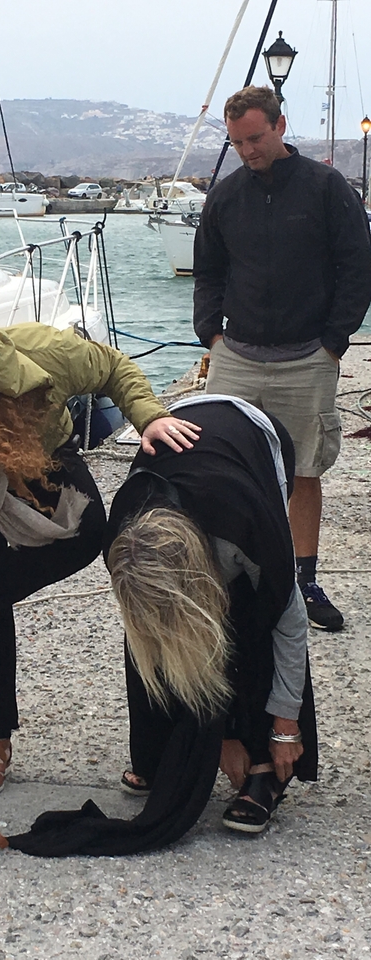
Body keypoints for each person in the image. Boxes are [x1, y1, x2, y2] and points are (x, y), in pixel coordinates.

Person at [0, 323, 201, 796]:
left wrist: (148, 415)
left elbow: (113, 366)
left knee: (89, 537)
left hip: (36, 449)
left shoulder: (45, 355)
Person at [5, 397, 318, 858]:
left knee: (250, 624)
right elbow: (155, 630)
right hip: (175, 448)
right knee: (153, 634)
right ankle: (159, 751)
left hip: (255, 440)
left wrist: (284, 724)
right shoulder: (123, 538)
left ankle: (264, 771)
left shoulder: (243, 535)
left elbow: (289, 625)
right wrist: (217, 739)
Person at [193, 84, 371, 631]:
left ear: (280, 125)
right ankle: (227, 578)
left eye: (255, 138)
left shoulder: (326, 188)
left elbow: (357, 266)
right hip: (237, 355)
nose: (247, 150)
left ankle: (303, 580)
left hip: (306, 358)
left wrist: (334, 342)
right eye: (237, 142)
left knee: (303, 471)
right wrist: (211, 336)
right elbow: (209, 272)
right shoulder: (225, 197)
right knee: (222, 468)